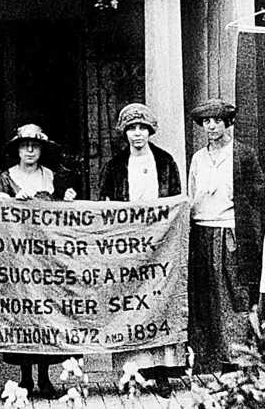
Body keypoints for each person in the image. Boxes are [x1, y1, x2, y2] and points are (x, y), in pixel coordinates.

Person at [98, 103, 182, 398]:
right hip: (127, 247)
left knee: (157, 301)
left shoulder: (166, 162)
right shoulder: (115, 166)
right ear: (125, 133)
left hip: (159, 247)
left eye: (142, 128)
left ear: (150, 131)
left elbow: (175, 204)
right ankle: (132, 374)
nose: (137, 134)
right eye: (131, 129)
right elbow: (104, 204)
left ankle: (161, 373)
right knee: (129, 305)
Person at [0, 124, 77, 398]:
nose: (30, 150)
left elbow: (59, 218)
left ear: (41, 150)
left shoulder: (51, 176)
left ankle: (44, 377)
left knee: (45, 315)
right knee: (22, 316)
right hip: (18, 261)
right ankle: (25, 378)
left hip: (46, 260)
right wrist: (10, 201)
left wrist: (65, 201)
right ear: (17, 150)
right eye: (24, 145)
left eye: (35, 145)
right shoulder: (6, 178)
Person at [188, 98, 265, 373]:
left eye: (217, 121)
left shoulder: (242, 154)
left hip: (231, 231)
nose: (211, 126)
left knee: (234, 293)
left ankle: (238, 357)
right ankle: (209, 359)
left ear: (227, 123)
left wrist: (239, 198)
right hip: (202, 231)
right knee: (206, 294)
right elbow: (192, 194)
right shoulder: (198, 157)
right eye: (207, 122)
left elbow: (259, 192)